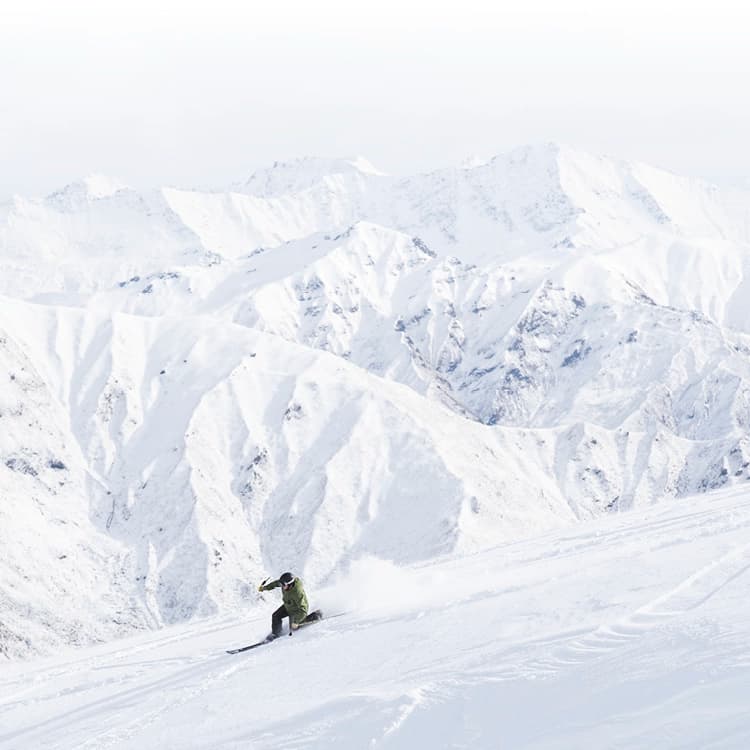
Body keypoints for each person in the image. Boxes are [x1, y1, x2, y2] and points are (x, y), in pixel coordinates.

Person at [258, 572, 322, 638]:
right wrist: (264, 588)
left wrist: (296, 622)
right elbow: (275, 584)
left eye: (283, 585)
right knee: (276, 616)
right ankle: (275, 634)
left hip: (297, 610)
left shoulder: (297, 593)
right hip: (288, 605)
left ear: (290, 584)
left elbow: (303, 610)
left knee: (294, 627)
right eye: (281, 584)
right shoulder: (284, 584)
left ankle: (316, 616)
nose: (282, 586)